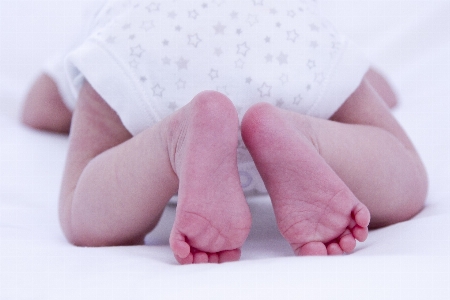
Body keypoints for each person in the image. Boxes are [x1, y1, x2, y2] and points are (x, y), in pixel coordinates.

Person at [21, 0, 427, 264]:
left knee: (82, 210)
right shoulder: (299, 22)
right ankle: (301, 133)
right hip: (282, 35)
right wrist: (341, 84)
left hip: (145, 39)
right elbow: (383, 89)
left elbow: (37, 108)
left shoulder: (113, 24)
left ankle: (175, 139)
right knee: (405, 173)